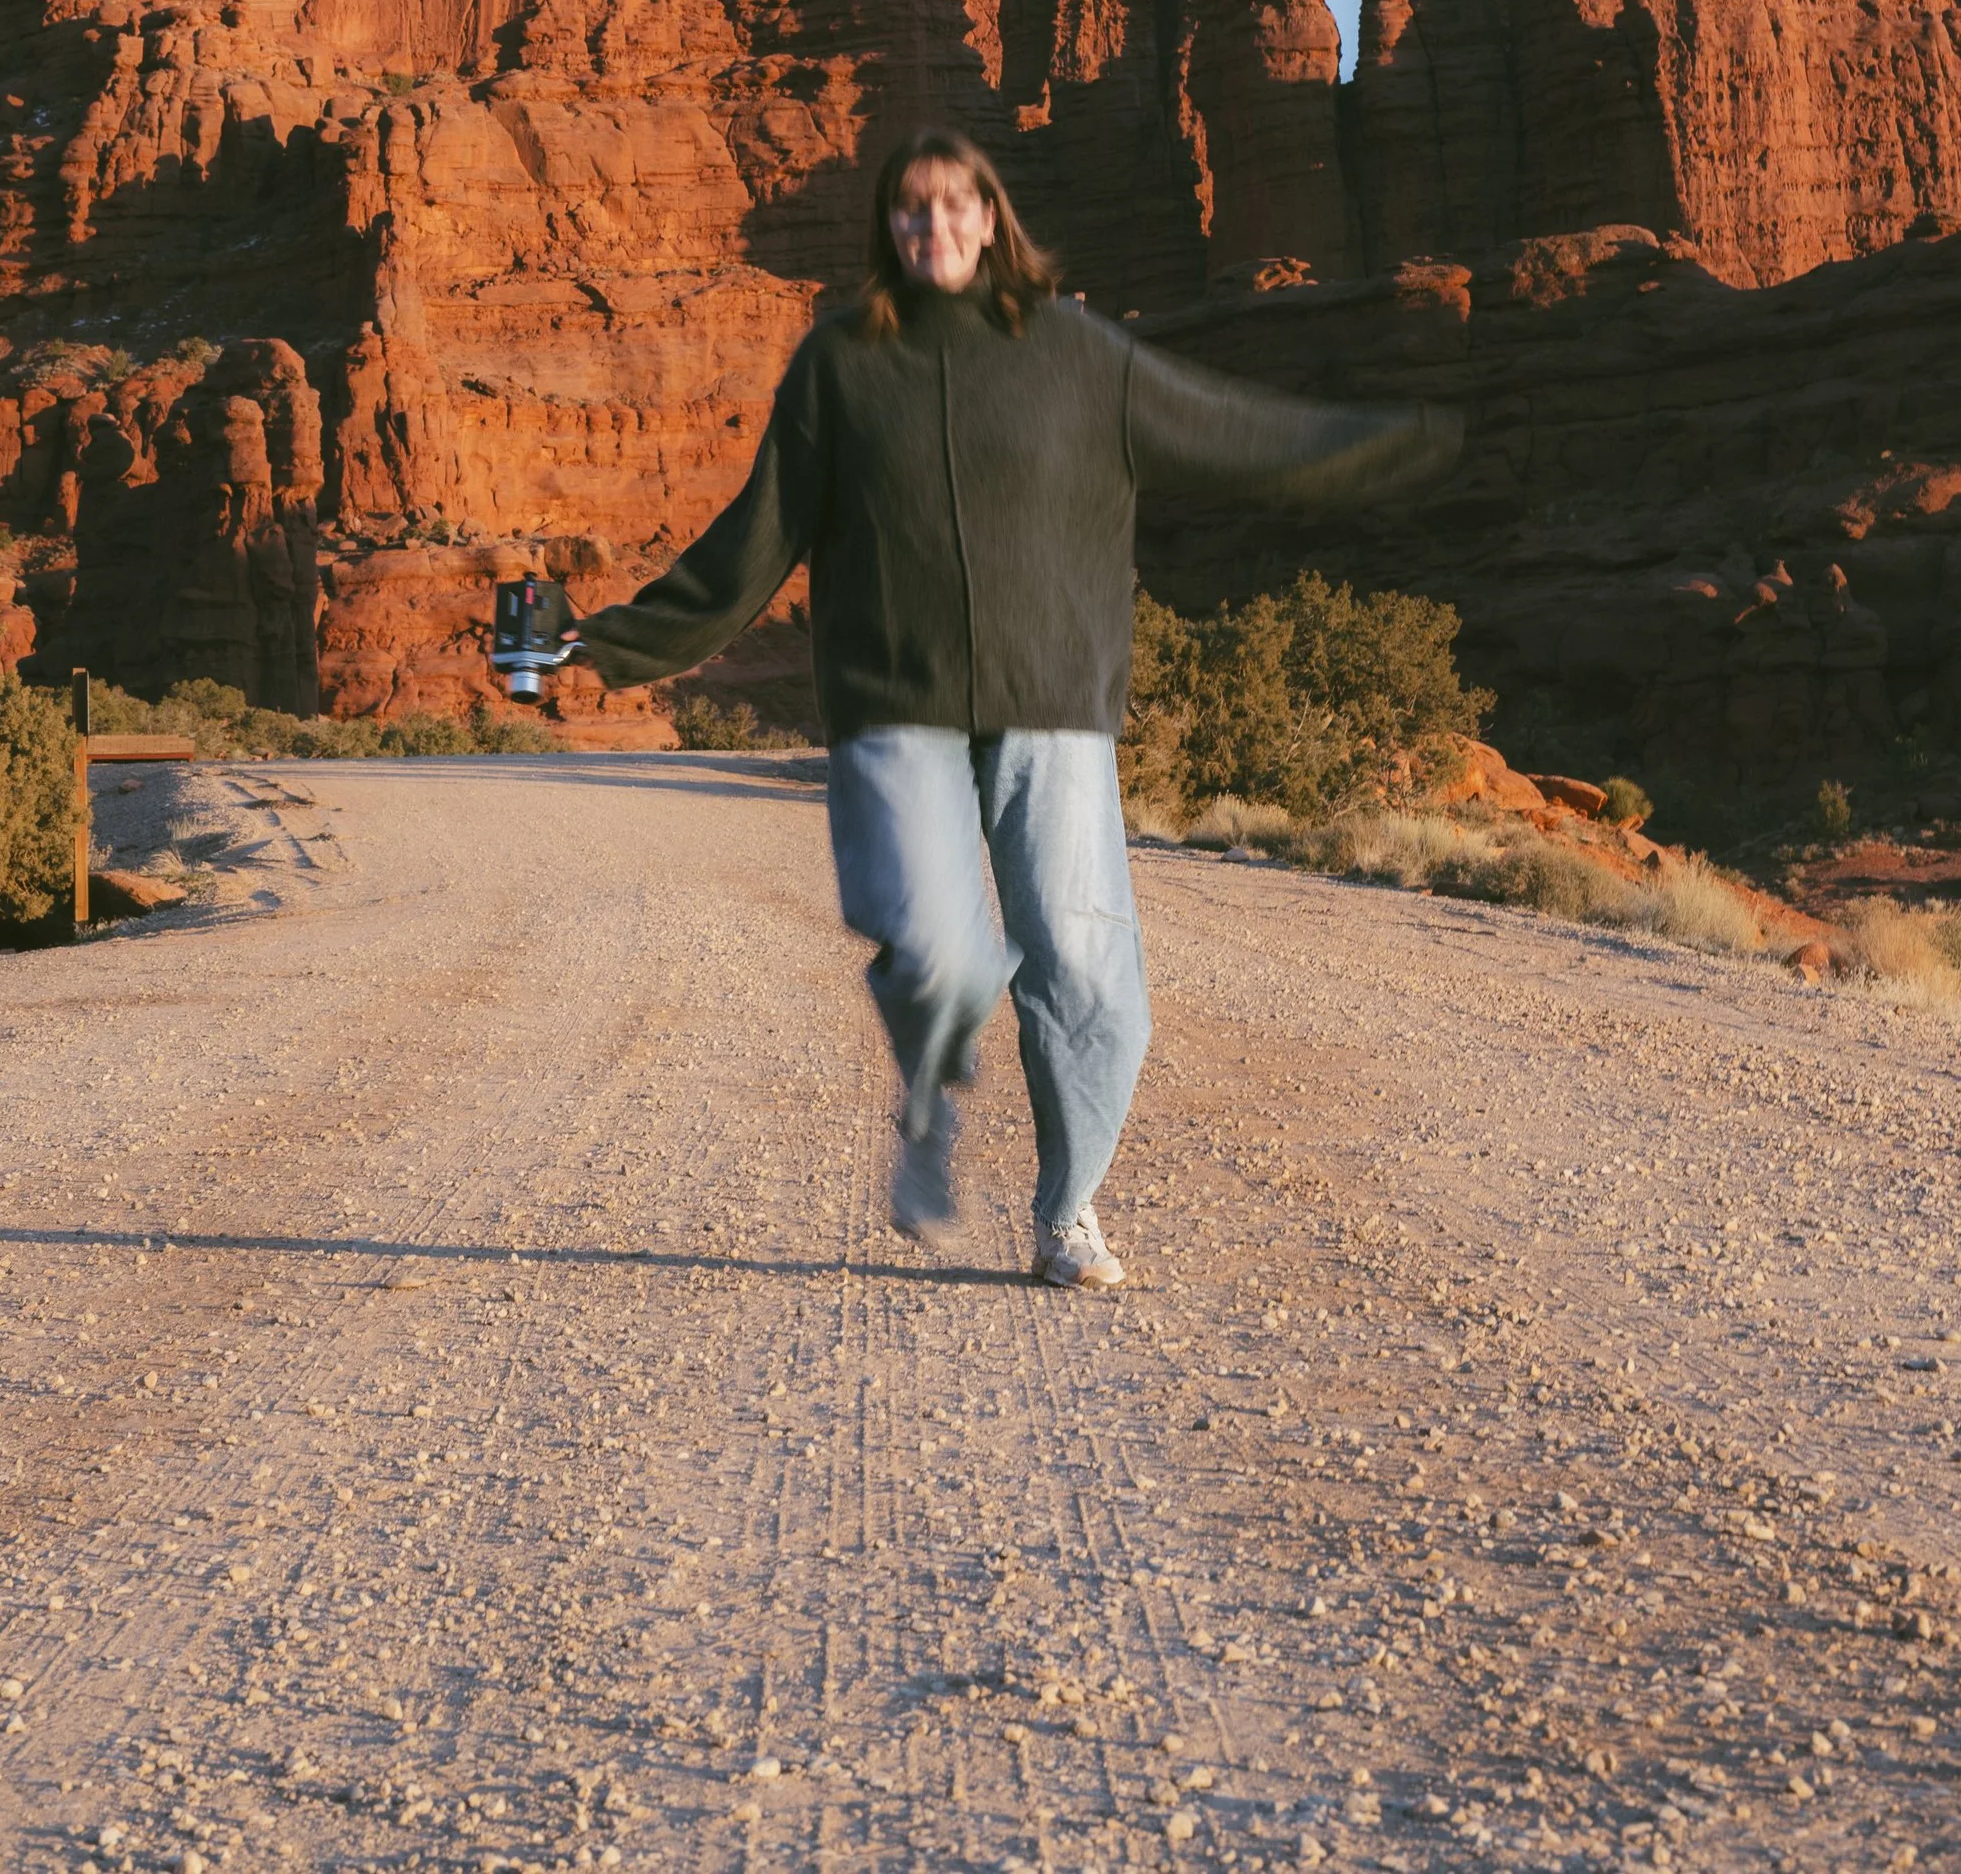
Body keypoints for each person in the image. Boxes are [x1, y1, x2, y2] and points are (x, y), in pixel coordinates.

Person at [571, 127, 1458, 1292]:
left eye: (951, 206)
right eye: (907, 210)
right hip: (898, 708)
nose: (929, 226)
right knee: (940, 952)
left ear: (992, 220)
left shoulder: (1079, 356)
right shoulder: (840, 366)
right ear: (886, 230)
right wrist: (606, 645)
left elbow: (1238, 434)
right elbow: (752, 545)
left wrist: (1395, 448)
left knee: (1086, 973)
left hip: (1051, 708)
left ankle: (1068, 1213)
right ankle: (929, 1117)